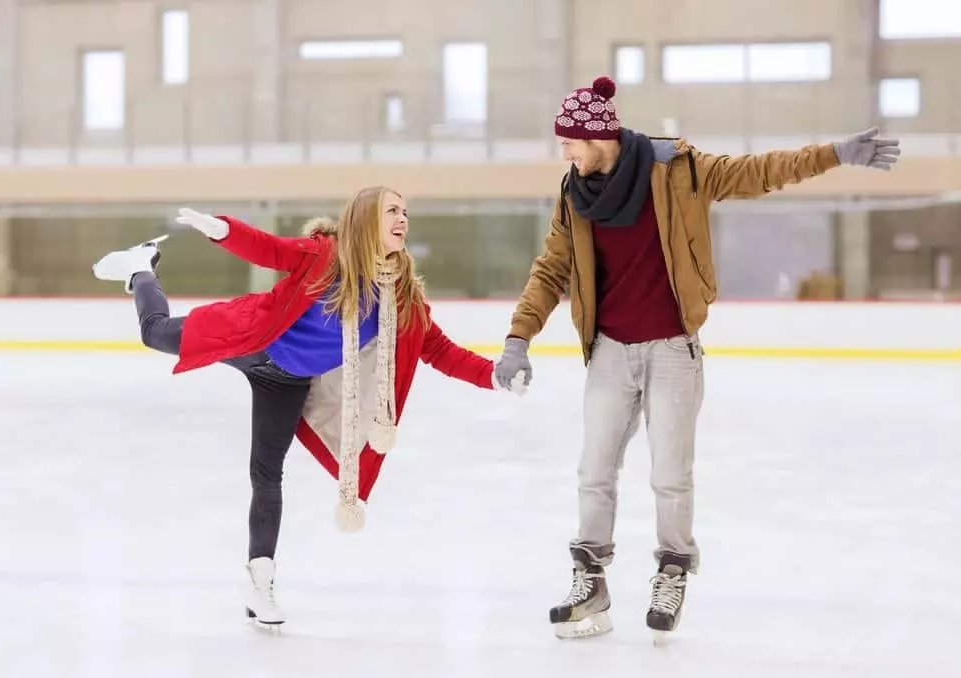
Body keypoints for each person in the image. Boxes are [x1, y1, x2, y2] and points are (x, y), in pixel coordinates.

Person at [492, 76, 900, 640]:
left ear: (599, 136)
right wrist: (519, 337)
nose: (563, 151)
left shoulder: (677, 169)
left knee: (670, 475)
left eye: (570, 141)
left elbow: (758, 171)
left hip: (672, 349)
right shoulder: (573, 193)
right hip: (610, 350)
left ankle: (672, 569)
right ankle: (591, 578)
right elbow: (551, 268)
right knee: (594, 471)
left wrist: (835, 153)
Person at [91, 186, 528, 627]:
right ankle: (141, 269)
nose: (403, 219)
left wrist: (494, 375)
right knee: (155, 333)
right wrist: (221, 229)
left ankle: (259, 580)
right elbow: (270, 250)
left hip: (287, 381)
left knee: (266, 473)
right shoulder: (325, 256)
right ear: (364, 219)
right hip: (251, 338)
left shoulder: (403, 300)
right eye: (392, 210)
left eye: (406, 212)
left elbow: (442, 351)